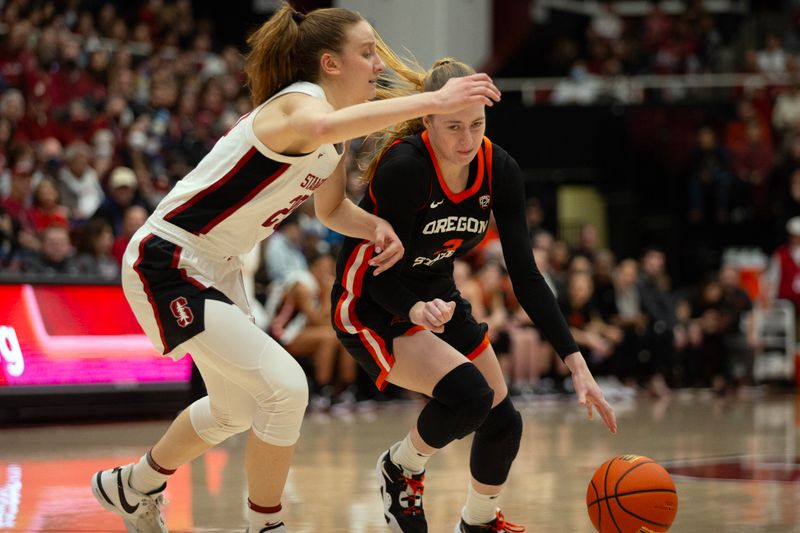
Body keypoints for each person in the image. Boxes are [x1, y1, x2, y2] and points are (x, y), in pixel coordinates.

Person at [90, 5, 500, 533]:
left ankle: (134, 485)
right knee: (287, 387)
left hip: (217, 268)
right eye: (368, 52)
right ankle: (265, 525)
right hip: (169, 258)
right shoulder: (296, 107)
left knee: (234, 410)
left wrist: (374, 227)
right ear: (330, 63)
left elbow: (329, 211)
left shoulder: (332, 138)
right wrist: (437, 99)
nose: (379, 64)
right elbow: (324, 123)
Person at [330, 58, 616, 533]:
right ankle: (400, 467)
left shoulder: (499, 168)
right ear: (429, 119)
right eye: (454, 126)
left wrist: (576, 365)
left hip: (437, 296)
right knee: (469, 398)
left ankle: (478, 523)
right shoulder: (405, 167)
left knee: (503, 421)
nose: (467, 139)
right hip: (370, 304)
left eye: (476, 124)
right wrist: (415, 309)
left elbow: (525, 275)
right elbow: (376, 277)